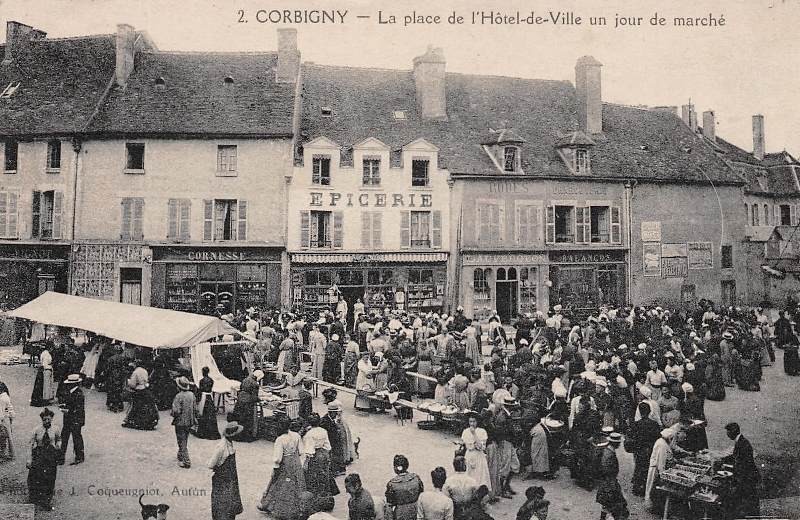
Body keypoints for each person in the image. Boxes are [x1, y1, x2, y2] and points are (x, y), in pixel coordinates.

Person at [258, 418, 307, 519]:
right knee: (296, 482)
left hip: (285, 463)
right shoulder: (296, 435)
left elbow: (277, 458)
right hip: (295, 461)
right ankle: (298, 507)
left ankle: (272, 505)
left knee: (278, 483)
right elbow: (301, 451)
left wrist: (275, 469)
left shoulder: (280, 439)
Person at [722, 422, 761, 518]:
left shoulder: (742, 443)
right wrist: (724, 460)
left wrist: (732, 475)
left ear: (733, 432)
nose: (727, 434)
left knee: (748, 500)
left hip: (747, 477)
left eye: (728, 432)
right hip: (749, 476)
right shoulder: (741, 441)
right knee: (750, 500)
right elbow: (737, 457)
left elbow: (742, 465)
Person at [27, 407, 61, 511]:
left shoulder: (56, 429)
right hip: (39, 454)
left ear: (52, 419)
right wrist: (29, 459)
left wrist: (58, 445)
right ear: (42, 420)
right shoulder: (37, 430)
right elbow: (30, 444)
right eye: (45, 419)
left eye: (49, 419)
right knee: (36, 476)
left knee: (50, 477)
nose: (47, 421)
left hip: (51, 455)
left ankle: (47, 500)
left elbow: (59, 439)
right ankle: (35, 497)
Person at [209, 422, 244, 520]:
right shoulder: (221, 447)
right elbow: (210, 464)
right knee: (222, 505)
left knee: (231, 504)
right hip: (221, 479)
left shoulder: (230, 444)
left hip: (231, 479)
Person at [626, 402, 661, 496]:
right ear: (649, 411)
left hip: (639, 450)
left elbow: (630, 437)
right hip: (650, 450)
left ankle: (637, 487)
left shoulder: (636, 425)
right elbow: (658, 437)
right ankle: (647, 487)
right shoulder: (654, 424)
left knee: (639, 467)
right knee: (648, 469)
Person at [595, 433, 629, 520]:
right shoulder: (609, 454)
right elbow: (606, 469)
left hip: (608, 482)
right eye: (618, 443)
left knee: (606, 503)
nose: (620, 444)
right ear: (615, 443)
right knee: (616, 504)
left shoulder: (608, 451)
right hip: (609, 482)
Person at [303, 413, 338, 497]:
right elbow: (328, 446)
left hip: (315, 455)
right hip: (323, 453)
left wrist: (306, 463)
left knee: (313, 475)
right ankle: (325, 492)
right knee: (324, 473)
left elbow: (309, 450)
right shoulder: (323, 431)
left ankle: (316, 494)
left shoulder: (309, 434)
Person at [644, 428, 675, 512]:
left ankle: (652, 504)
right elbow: (661, 461)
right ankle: (651, 505)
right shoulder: (662, 445)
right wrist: (662, 474)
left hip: (655, 467)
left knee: (652, 486)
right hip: (656, 469)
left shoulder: (662, 441)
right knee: (652, 486)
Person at [385, 454, 424, 520]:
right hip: (416, 512)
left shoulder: (392, 484)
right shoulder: (416, 478)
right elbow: (421, 493)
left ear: (395, 468)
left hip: (400, 515)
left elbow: (390, 504)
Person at [123, 360, 159, 431]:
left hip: (139, 390)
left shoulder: (135, 372)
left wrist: (129, 382)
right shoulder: (145, 371)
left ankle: (137, 422)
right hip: (145, 389)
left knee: (136, 406)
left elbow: (133, 384)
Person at [171, 376, 198, 469]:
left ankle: (186, 460)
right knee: (185, 438)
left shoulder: (178, 396)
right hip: (189, 421)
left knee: (181, 440)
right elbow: (195, 408)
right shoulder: (192, 395)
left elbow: (176, 411)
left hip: (180, 421)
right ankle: (180, 455)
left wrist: (173, 414)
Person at [58, 374, 85, 465]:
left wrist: (66, 410)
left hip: (75, 418)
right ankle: (62, 456)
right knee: (65, 437)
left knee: (75, 437)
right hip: (70, 418)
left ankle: (79, 456)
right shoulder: (72, 392)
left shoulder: (78, 394)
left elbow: (77, 408)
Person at [461, 413, 491, 490]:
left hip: (479, 456)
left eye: (474, 421)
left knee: (479, 476)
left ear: (477, 422)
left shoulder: (482, 431)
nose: (472, 424)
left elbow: (481, 447)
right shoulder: (465, 431)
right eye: (470, 421)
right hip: (469, 455)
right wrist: (473, 445)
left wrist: (474, 434)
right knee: (469, 474)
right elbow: (468, 445)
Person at [231, 369, 263, 441]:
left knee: (239, 418)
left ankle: (237, 435)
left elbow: (240, 388)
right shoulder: (255, 384)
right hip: (247, 402)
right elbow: (255, 396)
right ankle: (245, 436)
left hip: (240, 400)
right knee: (247, 419)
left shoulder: (246, 379)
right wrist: (260, 399)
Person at [194, 366, 221, 440]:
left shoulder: (201, 381)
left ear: (203, 372)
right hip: (209, 397)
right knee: (211, 414)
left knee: (203, 414)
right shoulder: (211, 380)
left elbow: (200, 390)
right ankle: (212, 432)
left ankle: (203, 432)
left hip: (204, 397)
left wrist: (197, 399)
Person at [526, 414, 551, 480]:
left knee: (536, 454)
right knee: (541, 454)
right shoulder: (540, 425)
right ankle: (540, 471)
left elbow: (529, 434)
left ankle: (537, 472)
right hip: (540, 436)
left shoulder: (536, 427)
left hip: (538, 437)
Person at [0, 381, 13, 460]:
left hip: (3, 420)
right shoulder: (6, 397)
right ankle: (10, 453)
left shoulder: (1, 399)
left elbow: (0, 412)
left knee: (3, 437)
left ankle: (3, 453)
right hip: (7, 418)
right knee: (8, 436)